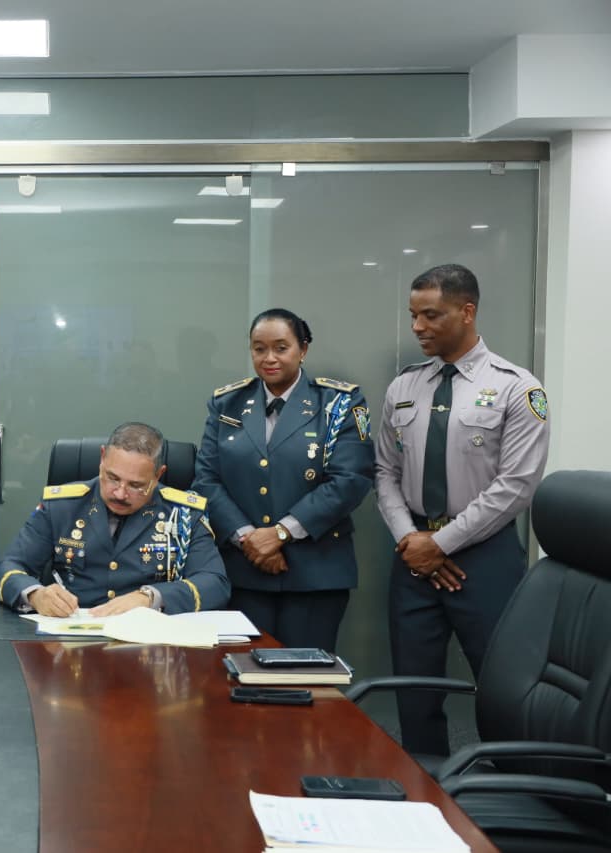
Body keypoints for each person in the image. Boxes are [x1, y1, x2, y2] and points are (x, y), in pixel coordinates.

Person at [376, 263, 550, 756]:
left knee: (501, 688)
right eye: (413, 315)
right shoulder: (404, 386)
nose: (417, 327)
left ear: (467, 312)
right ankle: (423, 781)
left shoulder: (517, 388)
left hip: (485, 556)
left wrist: (442, 544)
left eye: (431, 315)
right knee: (414, 689)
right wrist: (412, 541)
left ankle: (510, 788)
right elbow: (385, 472)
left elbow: (515, 486)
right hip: (413, 555)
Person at [193, 308, 375, 652]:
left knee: (304, 676)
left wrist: (280, 533)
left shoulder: (338, 403)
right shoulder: (227, 403)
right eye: (259, 348)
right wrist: (249, 539)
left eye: (281, 347)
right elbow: (206, 480)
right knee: (242, 673)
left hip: (315, 573)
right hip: (243, 571)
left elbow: (351, 479)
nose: (269, 358)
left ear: (303, 349)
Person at [0, 422, 229, 616]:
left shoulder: (183, 513)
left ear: (158, 475)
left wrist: (151, 597)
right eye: (113, 478)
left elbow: (215, 583)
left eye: (136, 485)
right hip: (72, 635)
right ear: (102, 458)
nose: (120, 493)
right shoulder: (61, 506)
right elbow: (7, 567)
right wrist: (35, 594)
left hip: (149, 641)